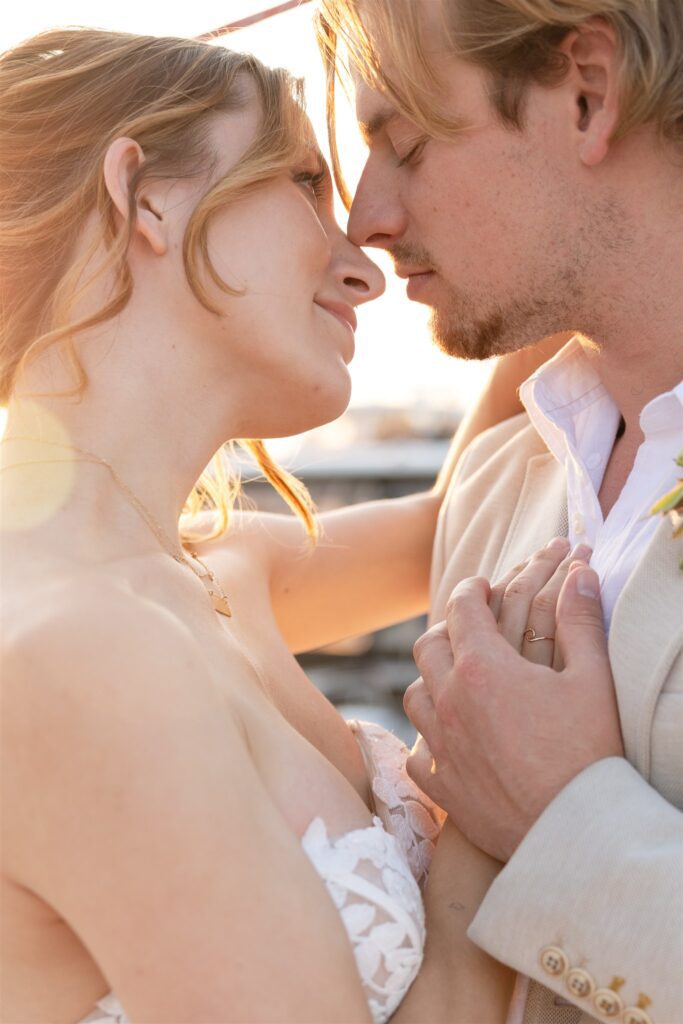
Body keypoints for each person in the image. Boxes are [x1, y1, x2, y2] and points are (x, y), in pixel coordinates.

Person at [0, 26, 589, 1024]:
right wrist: (504, 808)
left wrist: (567, 230)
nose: (360, 262)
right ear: (147, 196)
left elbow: (462, 519)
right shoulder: (77, 654)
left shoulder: (213, 570)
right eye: (305, 182)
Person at [316, 1, 683, 1022]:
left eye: (402, 142)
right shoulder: (498, 482)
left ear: (584, 94)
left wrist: (570, 822)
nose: (363, 218)